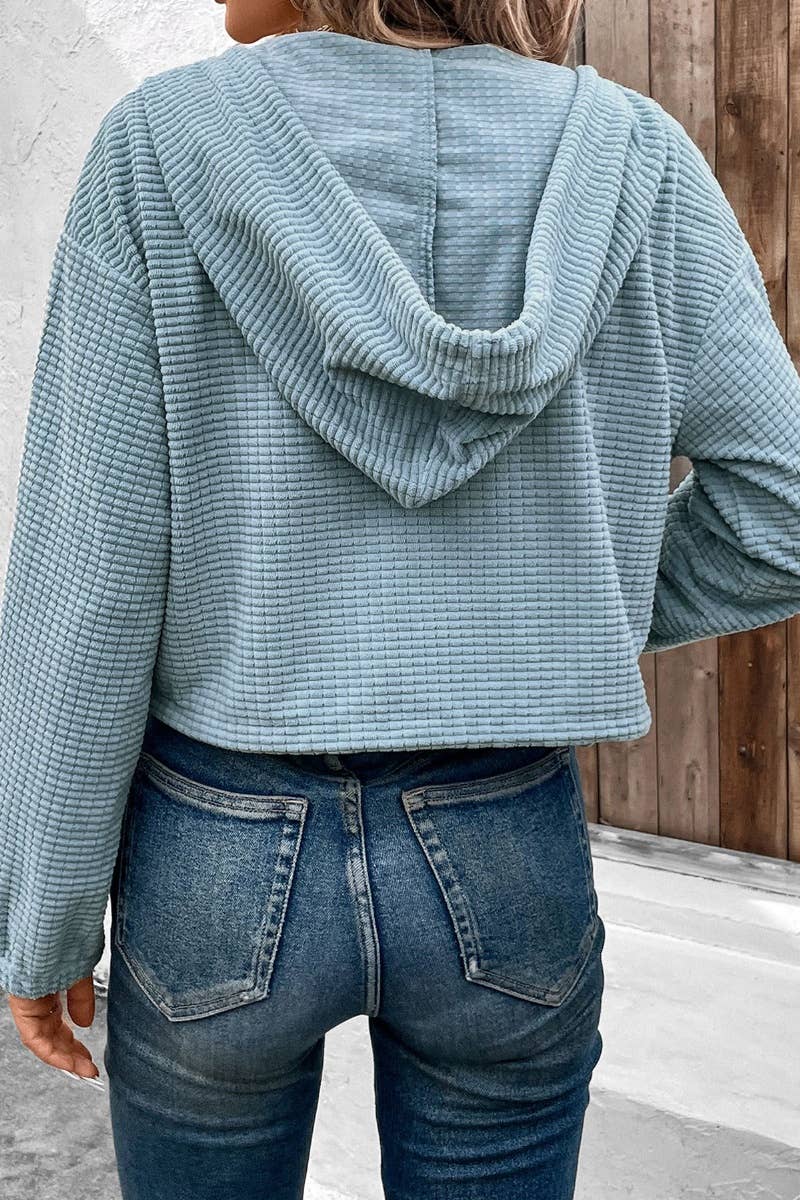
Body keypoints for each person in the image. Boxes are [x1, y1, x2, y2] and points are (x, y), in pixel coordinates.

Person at [2, 1, 800, 1197]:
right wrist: (540, 613)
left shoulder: (161, 144)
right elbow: (779, 509)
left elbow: (90, 576)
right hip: (503, 833)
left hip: (217, 842)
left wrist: (44, 914)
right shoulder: (632, 153)